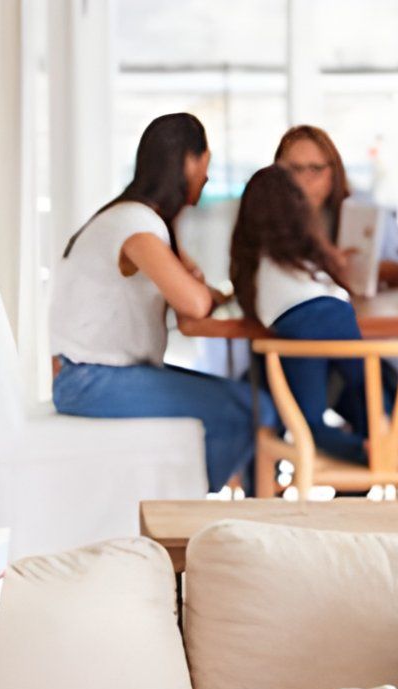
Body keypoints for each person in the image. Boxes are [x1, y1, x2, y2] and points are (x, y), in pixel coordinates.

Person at [50, 112, 259, 493]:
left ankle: (188, 503)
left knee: (247, 403)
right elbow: (194, 304)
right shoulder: (136, 226)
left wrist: (200, 286)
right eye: (206, 163)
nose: (207, 177)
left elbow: (194, 295)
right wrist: (200, 288)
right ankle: (184, 509)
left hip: (91, 375)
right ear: (189, 162)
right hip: (91, 380)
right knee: (251, 408)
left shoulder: (133, 218)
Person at [228, 164, 398, 471]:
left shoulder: (256, 263)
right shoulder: (307, 253)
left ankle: (363, 452)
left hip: (296, 326)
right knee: (368, 390)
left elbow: (257, 310)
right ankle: (383, 443)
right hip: (337, 314)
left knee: (308, 423)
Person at [274, 124, 398, 291]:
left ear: (333, 173)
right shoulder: (266, 220)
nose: (303, 181)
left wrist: (368, 270)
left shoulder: (362, 208)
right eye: (293, 170)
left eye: (315, 169)